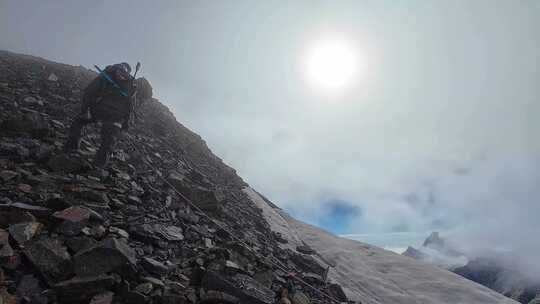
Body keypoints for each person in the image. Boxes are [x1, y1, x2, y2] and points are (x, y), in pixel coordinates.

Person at [64, 62, 148, 167]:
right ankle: (98, 166)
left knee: (79, 122)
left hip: (99, 109)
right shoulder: (131, 85)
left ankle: (71, 149)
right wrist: (126, 124)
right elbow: (130, 107)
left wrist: (85, 110)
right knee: (109, 140)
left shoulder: (107, 76)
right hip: (115, 116)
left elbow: (89, 92)